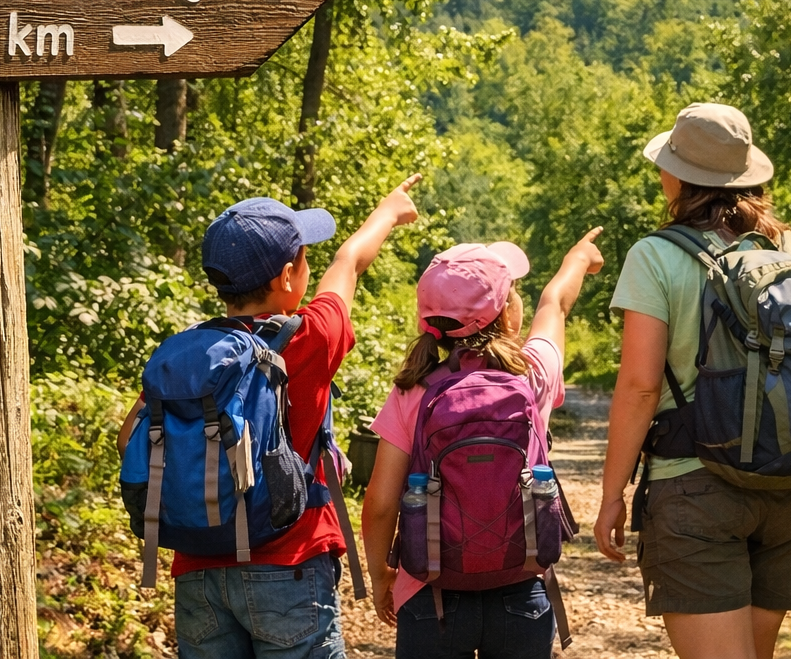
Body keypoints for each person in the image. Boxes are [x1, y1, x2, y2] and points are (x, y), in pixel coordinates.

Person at [118, 177, 422, 659]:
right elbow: (348, 265)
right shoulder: (313, 337)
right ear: (287, 276)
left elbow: (129, 437)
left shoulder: (192, 355)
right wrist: (386, 212)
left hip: (198, 572)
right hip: (290, 566)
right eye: (304, 257)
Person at [594, 103, 791, 659]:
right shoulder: (790, 250)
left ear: (679, 178)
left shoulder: (655, 256)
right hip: (785, 487)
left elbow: (640, 387)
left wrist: (612, 492)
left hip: (694, 486)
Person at [361, 229, 606, 658]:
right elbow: (556, 304)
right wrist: (579, 257)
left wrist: (381, 574)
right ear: (508, 313)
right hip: (521, 586)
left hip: (429, 589)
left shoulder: (411, 391)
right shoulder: (532, 375)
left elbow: (380, 503)